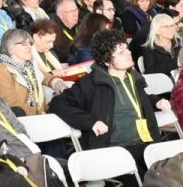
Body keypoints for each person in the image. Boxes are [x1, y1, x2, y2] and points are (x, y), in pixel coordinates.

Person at [49, 28, 170, 171]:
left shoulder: (133, 78)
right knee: (152, 176)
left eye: (126, 49)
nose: (128, 53)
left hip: (144, 144)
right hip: (113, 149)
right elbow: (58, 103)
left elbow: (136, 100)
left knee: (172, 167)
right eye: (120, 53)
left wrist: (156, 102)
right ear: (106, 61)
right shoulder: (91, 83)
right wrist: (90, 122)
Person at [0, 29, 48, 115]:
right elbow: (10, 103)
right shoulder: (1, 70)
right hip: (24, 119)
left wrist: (57, 83)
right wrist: (39, 114)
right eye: (24, 44)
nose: (29, 47)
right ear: (10, 48)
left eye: (30, 43)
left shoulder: (29, 66)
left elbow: (44, 76)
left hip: (41, 115)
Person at [140, 12, 179, 76]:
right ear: (157, 30)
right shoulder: (149, 49)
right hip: (164, 82)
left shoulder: (179, 43)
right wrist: (176, 62)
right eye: (166, 26)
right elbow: (149, 70)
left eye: (172, 25)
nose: (170, 29)